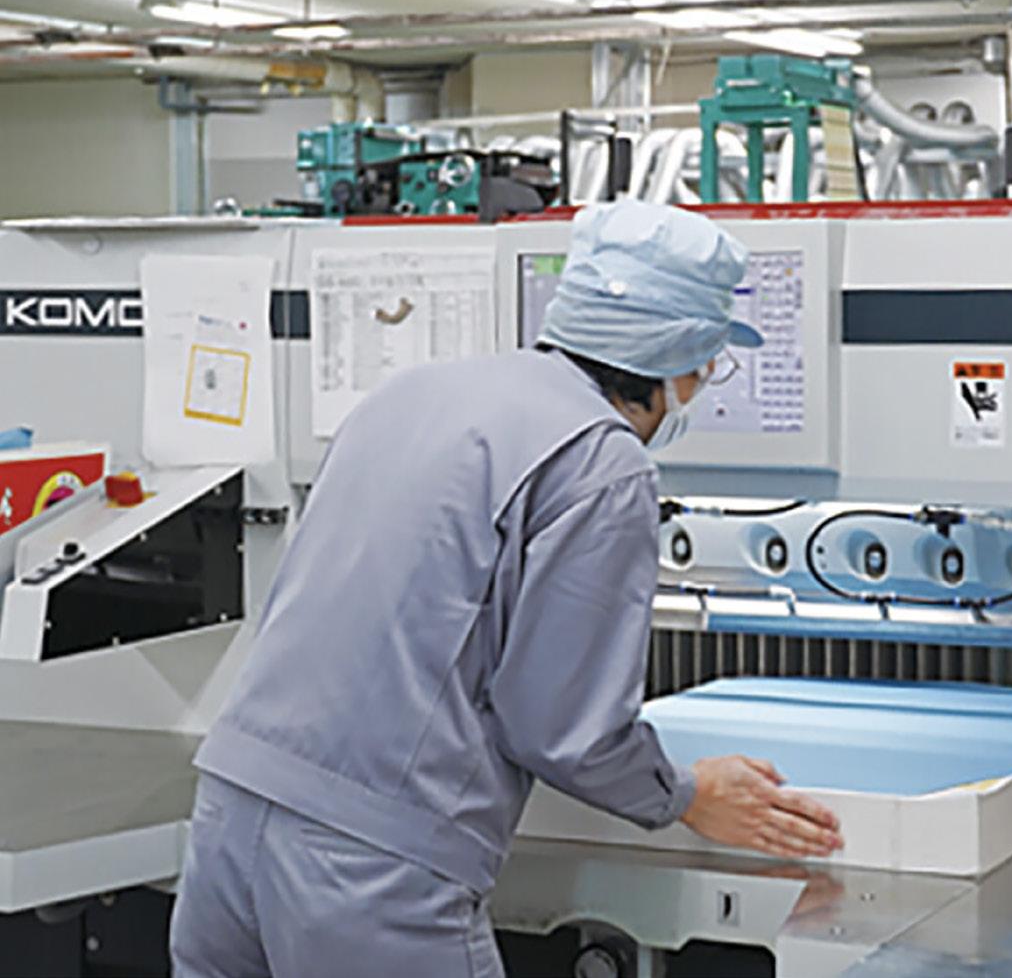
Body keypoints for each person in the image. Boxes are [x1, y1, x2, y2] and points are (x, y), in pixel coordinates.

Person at [170, 200, 843, 978]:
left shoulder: (407, 394)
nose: (697, 390)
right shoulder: (603, 460)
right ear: (674, 353)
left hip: (231, 814)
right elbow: (562, 728)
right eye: (706, 366)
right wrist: (685, 794)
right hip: (367, 863)